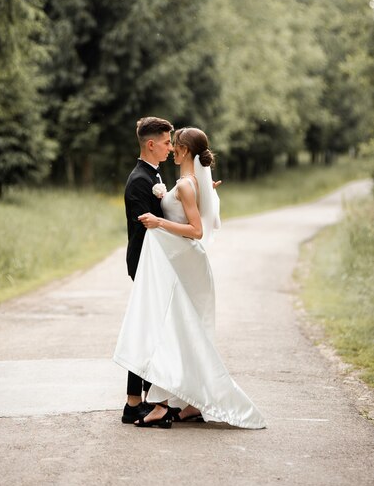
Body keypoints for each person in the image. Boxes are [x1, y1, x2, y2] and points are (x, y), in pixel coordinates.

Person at [114, 127, 266, 429]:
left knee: (174, 328)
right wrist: (203, 194)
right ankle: (189, 403)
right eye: (168, 143)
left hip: (184, 263)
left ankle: (162, 403)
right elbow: (186, 210)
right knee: (181, 329)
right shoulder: (184, 183)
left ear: (184, 150)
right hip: (175, 262)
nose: (171, 149)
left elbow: (196, 230)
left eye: (175, 144)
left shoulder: (185, 184)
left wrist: (160, 220)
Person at [120, 116, 174, 424]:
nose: (170, 147)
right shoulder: (140, 180)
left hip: (155, 264)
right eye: (167, 142)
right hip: (145, 263)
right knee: (149, 332)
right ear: (151, 144)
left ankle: (134, 402)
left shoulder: (152, 174)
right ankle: (145, 404)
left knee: (148, 330)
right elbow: (150, 228)